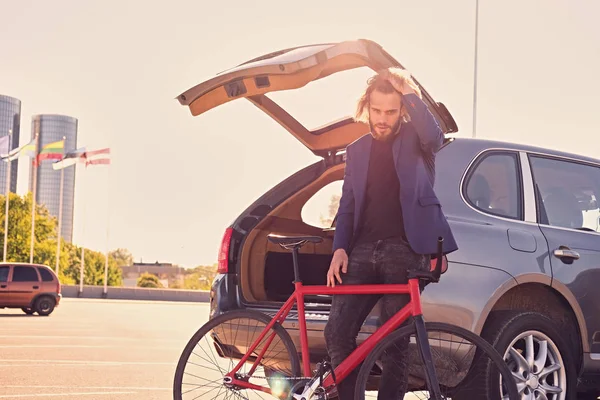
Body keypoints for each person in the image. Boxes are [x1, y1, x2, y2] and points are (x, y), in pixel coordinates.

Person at [323, 67, 458, 399]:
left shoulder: (417, 139)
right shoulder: (356, 150)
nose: (383, 119)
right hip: (361, 251)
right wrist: (339, 248)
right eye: (377, 110)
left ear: (402, 111)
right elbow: (349, 203)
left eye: (391, 111)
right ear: (366, 107)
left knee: (394, 342)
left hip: (405, 251)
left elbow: (435, 136)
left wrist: (407, 89)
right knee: (336, 334)